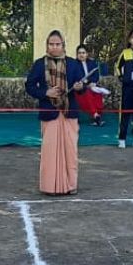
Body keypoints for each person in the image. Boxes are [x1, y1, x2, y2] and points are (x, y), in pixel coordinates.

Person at [26, 30, 85, 195]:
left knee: (70, 151)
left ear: (63, 46)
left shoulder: (73, 64)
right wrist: (46, 93)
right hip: (49, 112)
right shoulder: (39, 64)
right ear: (47, 45)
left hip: (69, 112)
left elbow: (82, 86)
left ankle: (71, 186)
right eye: (51, 44)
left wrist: (80, 87)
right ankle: (49, 187)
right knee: (50, 152)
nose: (54, 47)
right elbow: (29, 86)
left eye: (57, 44)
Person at [73, 45, 105, 126]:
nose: (81, 55)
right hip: (80, 88)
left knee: (98, 93)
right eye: (79, 53)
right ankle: (95, 116)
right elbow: (76, 77)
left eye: (83, 53)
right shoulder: (74, 64)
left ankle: (97, 115)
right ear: (77, 54)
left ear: (87, 54)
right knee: (87, 93)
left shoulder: (92, 63)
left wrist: (92, 82)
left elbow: (96, 76)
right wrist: (86, 83)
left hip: (92, 85)